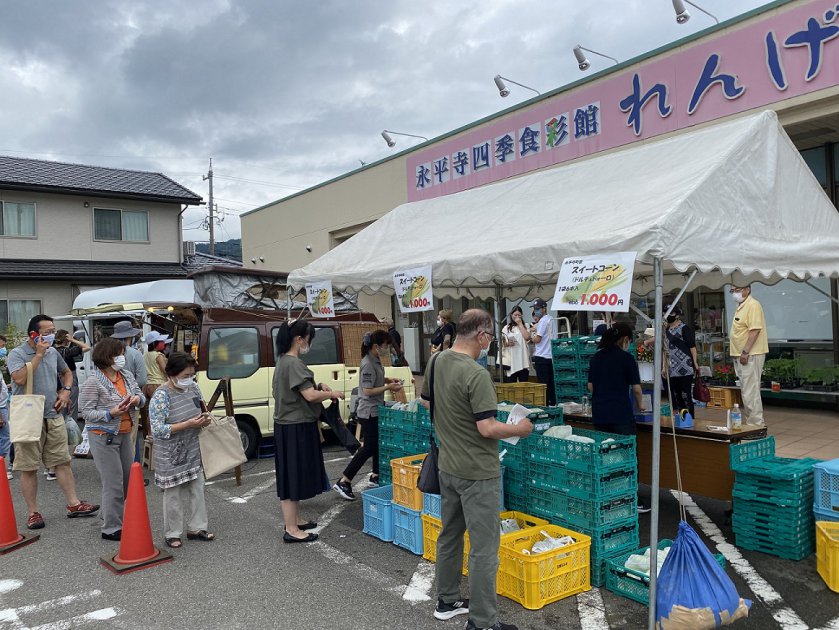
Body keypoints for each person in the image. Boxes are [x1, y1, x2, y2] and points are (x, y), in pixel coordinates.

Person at [422, 309, 533, 630]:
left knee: (450, 535)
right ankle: (483, 621)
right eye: (491, 338)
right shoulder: (476, 374)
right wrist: (520, 429)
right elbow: (486, 427)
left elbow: (426, 402)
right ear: (482, 336)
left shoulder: (436, 361)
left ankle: (447, 599)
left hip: (448, 465)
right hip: (478, 472)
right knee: (485, 549)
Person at [7, 315, 99, 530]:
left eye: (53, 330)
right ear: (33, 334)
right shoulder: (17, 353)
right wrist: (38, 355)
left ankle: (74, 504)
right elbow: (19, 378)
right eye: (46, 331)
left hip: (54, 415)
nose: (51, 334)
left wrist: (65, 392)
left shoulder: (53, 352)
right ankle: (33, 512)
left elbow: (66, 373)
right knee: (29, 467)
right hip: (30, 417)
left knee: (62, 461)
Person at [273, 319, 345, 543]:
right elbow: (309, 396)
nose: (309, 342)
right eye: (308, 338)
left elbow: (303, 390)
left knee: (290, 475)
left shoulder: (283, 361)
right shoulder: (294, 363)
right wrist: (332, 394)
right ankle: (292, 529)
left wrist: (319, 386)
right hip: (295, 426)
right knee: (292, 476)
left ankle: (294, 520)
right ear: (299, 339)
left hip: (286, 425)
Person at [78, 337, 145, 541]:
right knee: (113, 482)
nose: (123, 357)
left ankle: (108, 515)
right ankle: (111, 528)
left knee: (126, 480)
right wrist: (110, 413)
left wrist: (137, 399)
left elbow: (141, 396)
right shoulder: (93, 381)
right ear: (107, 357)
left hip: (125, 432)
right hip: (103, 435)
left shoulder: (125, 375)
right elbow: (86, 412)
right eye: (119, 354)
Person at [149, 352, 214, 548]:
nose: (190, 379)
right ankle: (172, 533)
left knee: (197, 488)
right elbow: (157, 429)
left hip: (193, 447)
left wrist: (205, 419)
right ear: (172, 374)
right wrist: (187, 424)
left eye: (192, 374)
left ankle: (197, 527)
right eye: (185, 375)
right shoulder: (161, 395)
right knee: (173, 494)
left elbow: (202, 409)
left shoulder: (194, 387)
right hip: (170, 453)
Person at [587, 323, 650, 513]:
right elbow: (637, 389)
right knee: (626, 456)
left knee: (606, 456)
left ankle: (609, 497)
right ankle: (631, 498)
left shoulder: (596, 358)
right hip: (621, 415)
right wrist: (642, 405)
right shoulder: (627, 358)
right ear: (625, 340)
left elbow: (590, 387)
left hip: (600, 414)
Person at [333, 330, 402, 499]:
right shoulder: (368, 363)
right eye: (386, 345)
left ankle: (376, 476)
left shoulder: (376, 360)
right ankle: (344, 480)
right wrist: (388, 387)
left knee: (377, 444)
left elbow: (375, 381)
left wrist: (388, 380)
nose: (388, 349)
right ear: (376, 346)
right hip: (368, 411)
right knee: (368, 447)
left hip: (375, 409)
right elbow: (368, 390)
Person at [729, 284, 768, 426]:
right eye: (732, 291)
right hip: (741, 355)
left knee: (750, 391)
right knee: (747, 391)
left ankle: (755, 425)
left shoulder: (753, 305)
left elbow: (755, 330)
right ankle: (752, 423)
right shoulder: (742, 306)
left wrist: (745, 352)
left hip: (750, 355)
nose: (734, 294)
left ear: (747, 289)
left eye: (737, 290)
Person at [111, 321, 148, 461]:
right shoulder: (135, 354)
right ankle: (131, 476)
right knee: (130, 439)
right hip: (131, 401)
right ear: (130, 337)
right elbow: (143, 379)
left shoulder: (105, 353)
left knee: (113, 438)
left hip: (109, 402)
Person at [662, 305, 700, 419]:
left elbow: (692, 347)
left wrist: (695, 363)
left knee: (685, 395)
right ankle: (681, 417)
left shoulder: (684, 328)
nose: (668, 316)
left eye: (671, 313)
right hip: (671, 368)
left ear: (677, 315)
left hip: (685, 367)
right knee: (676, 395)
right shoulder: (666, 330)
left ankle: (689, 418)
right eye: (665, 313)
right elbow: (665, 350)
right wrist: (664, 367)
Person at [54, 329, 90, 421]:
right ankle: (71, 424)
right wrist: (73, 340)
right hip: (70, 379)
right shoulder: (68, 351)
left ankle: (61, 423)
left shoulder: (52, 351)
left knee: (59, 403)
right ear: (66, 339)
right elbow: (87, 347)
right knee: (72, 404)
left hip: (56, 379)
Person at [529, 298, 557, 405]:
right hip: (550, 356)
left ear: (544, 309)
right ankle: (552, 403)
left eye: (537, 308)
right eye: (535, 309)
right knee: (550, 383)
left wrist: (531, 339)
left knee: (543, 384)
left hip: (542, 356)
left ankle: (545, 404)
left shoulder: (543, 321)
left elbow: (538, 338)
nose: (536, 311)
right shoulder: (551, 319)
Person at [501, 306, 531, 382]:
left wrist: (520, 324)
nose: (517, 317)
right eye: (515, 315)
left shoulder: (526, 326)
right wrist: (507, 343)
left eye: (519, 315)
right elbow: (502, 343)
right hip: (511, 361)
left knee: (524, 386)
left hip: (523, 360)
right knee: (512, 387)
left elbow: (527, 337)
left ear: (522, 315)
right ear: (511, 315)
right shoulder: (506, 328)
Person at [143, 331, 171, 401]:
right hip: (158, 384)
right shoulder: (158, 355)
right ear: (154, 343)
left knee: (148, 409)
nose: (163, 342)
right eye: (161, 341)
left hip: (146, 386)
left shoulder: (145, 355)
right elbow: (166, 370)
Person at [0, 377, 10, 479]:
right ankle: (0, 465)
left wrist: (6, 387)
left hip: (3, 406)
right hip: (1, 407)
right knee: (6, 437)